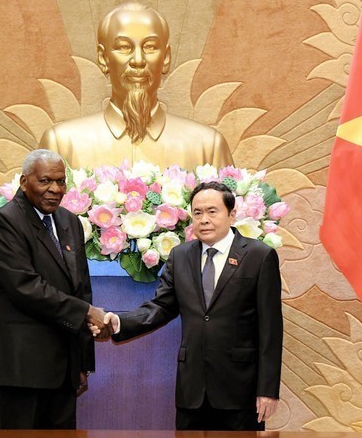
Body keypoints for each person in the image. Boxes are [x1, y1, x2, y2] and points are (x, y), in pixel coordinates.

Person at [91, 181, 282, 431]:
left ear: (232, 214)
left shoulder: (259, 256)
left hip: (239, 390)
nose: (204, 219)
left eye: (212, 212)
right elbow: (160, 306)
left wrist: (267, 391)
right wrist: (119, 321)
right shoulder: (181, 256)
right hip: (192, 389)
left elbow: (271, 329)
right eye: (198, 212)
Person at [0, 149, 107, 429]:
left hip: (63, 372)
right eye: (45, 181)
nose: (55, 189)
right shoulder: (7, 221)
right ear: (24, 181)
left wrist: (82, 361)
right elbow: (25, 286)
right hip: (21, 370)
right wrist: (87, 313)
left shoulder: (70, 222)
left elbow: (81, 289)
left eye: (61, 181)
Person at [39, 2, 234, 170]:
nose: (138, 60)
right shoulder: (62, 144)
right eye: (124, 47)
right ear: (103, 58)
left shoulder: (208, 147)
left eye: (150, 47)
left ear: (165, 58)